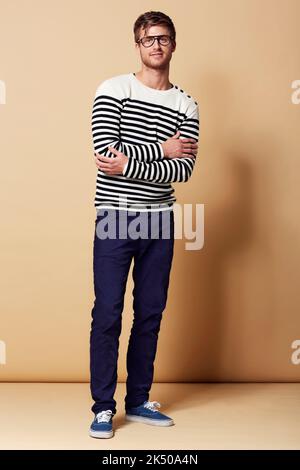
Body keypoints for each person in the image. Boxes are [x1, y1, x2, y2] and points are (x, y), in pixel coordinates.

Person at [89, 10, 199, 439]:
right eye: (148, 38)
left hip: (160, 221)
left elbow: (184, 171)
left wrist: (136, 160)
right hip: (114, 218)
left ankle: (137, 401)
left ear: (174, 44)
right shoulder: (113, 88)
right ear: (138, 44)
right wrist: (162, 150)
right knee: (108, 313)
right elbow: (106, 155)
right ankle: (103, 407)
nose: (156, 45)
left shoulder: (186, 103)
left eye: (164, 38)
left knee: (150, 313)